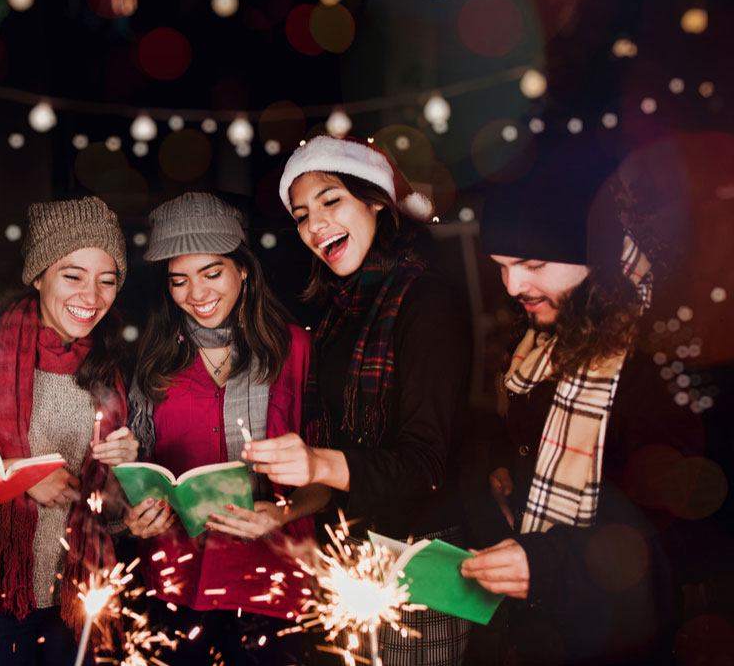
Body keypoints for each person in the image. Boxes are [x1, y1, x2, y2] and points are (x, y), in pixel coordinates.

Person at [459, 143, 704, 664]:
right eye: (501, 266)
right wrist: (511, 472)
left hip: (628, 636)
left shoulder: (664, 355)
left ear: (597, 251)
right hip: (546, 628)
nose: (514, 286)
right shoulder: (547, 329)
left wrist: (552, 563)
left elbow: (688, 537)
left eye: (532, 263)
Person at [243, 135, 473, 665]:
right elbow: (338, 467)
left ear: (376, 201)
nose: (314, 225)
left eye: (331, 201)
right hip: (349, 555)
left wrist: (316, 461)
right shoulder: (335, 312)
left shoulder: (428, 300)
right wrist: (281, 513)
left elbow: (425, 463)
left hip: (424, 562)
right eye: (301, 215)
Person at [124, 192, 330, 666]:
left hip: (275, 582)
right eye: (179, 280)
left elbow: (329, 477)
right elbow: (136, 475)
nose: (196, 295)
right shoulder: (153, 363)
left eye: (212, 273)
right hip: (176, 581)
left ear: (242, 269)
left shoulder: (297, 350)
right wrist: (132, 511)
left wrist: (278, 514)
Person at [0, 196, 139, 666]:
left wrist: (124, 476)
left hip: (77, 595)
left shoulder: (108, 369)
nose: (91, 297)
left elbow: (104, 514)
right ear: (38, 275)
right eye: (73, 276)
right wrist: (18, 477)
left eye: (107, 281)